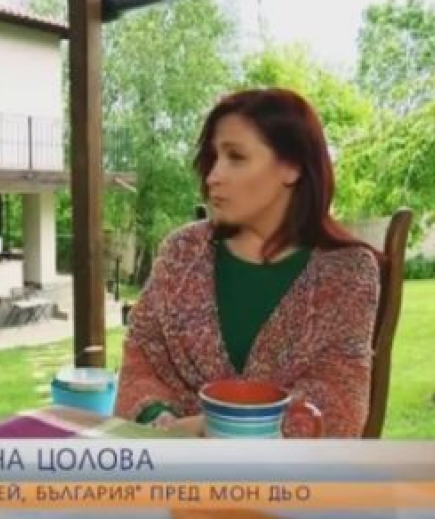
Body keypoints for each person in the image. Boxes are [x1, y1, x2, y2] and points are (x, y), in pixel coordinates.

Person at [113, 87, 381, 438]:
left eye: (236, 157)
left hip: (290, 472)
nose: (213, 176)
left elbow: (336, 401)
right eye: (213, 158)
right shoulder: (181, 252)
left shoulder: (347, 272)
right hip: (171, 461)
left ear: (292, 167)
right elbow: (140, 360)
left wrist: (213, 429)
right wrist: (158, 420)